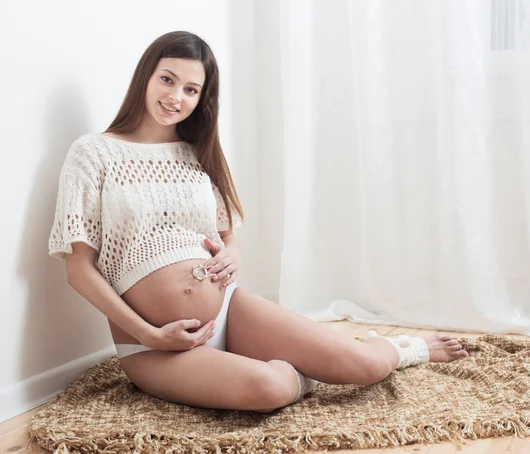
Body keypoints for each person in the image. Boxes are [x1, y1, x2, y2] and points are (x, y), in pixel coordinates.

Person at [48, 30, 468, 413]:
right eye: (167, 79)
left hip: (230, 309)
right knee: (270, 389)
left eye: (191, 89)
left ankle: (403, 348)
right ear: (146, 76)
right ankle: (277, 370)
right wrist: (151, 335)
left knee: (363, 365)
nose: (176, 96)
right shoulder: (93, 154)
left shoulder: (196, 153)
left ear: (202, 99)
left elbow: (228, 232)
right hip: (153, 346)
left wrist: (232, 253)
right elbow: (78, 269)